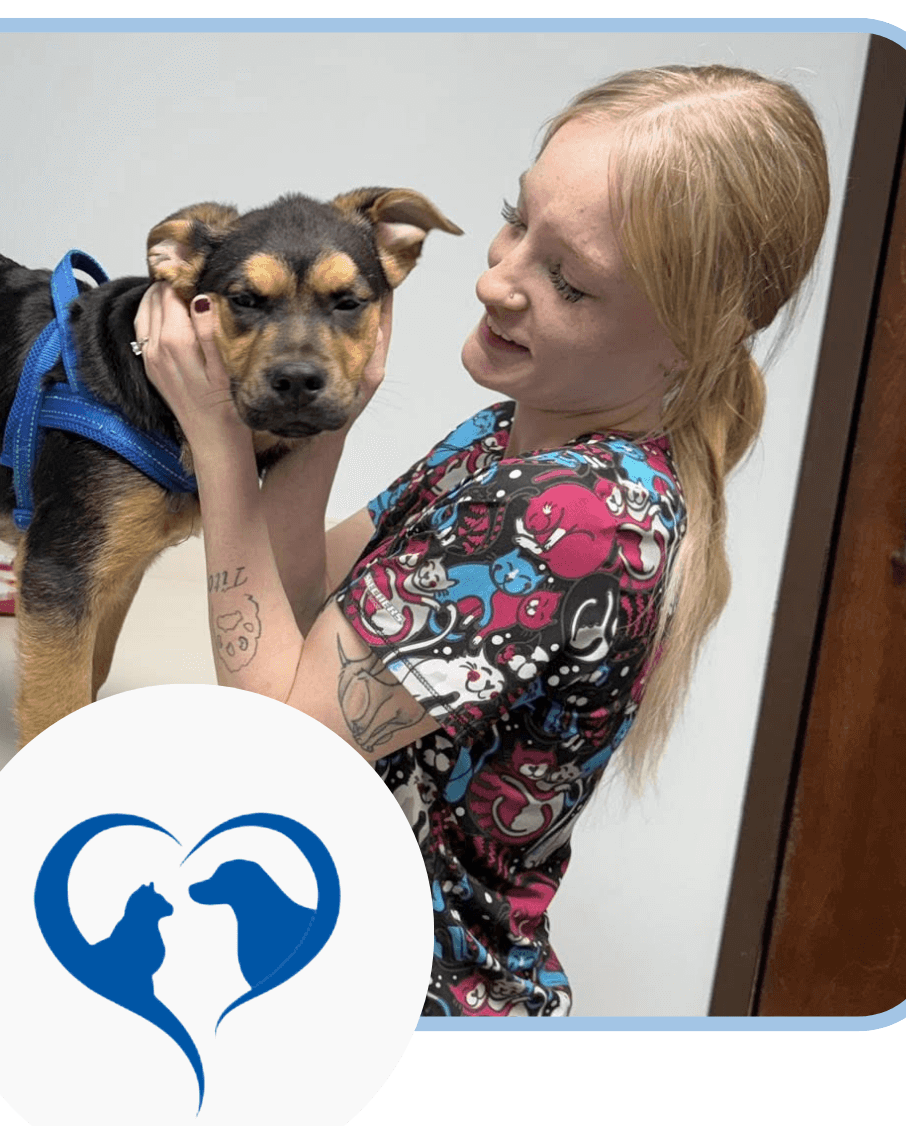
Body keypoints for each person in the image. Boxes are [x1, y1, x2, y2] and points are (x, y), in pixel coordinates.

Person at [133, 65, 830, 1015]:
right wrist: (330, 401)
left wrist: (215, 436)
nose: (494, 278)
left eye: (569, 281)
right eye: (517, 218)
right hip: (328, 956)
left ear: (691, 336)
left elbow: (284, 736)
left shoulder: (571, 519)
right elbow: (300, 603)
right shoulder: (512, 434)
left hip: (397, 1003)